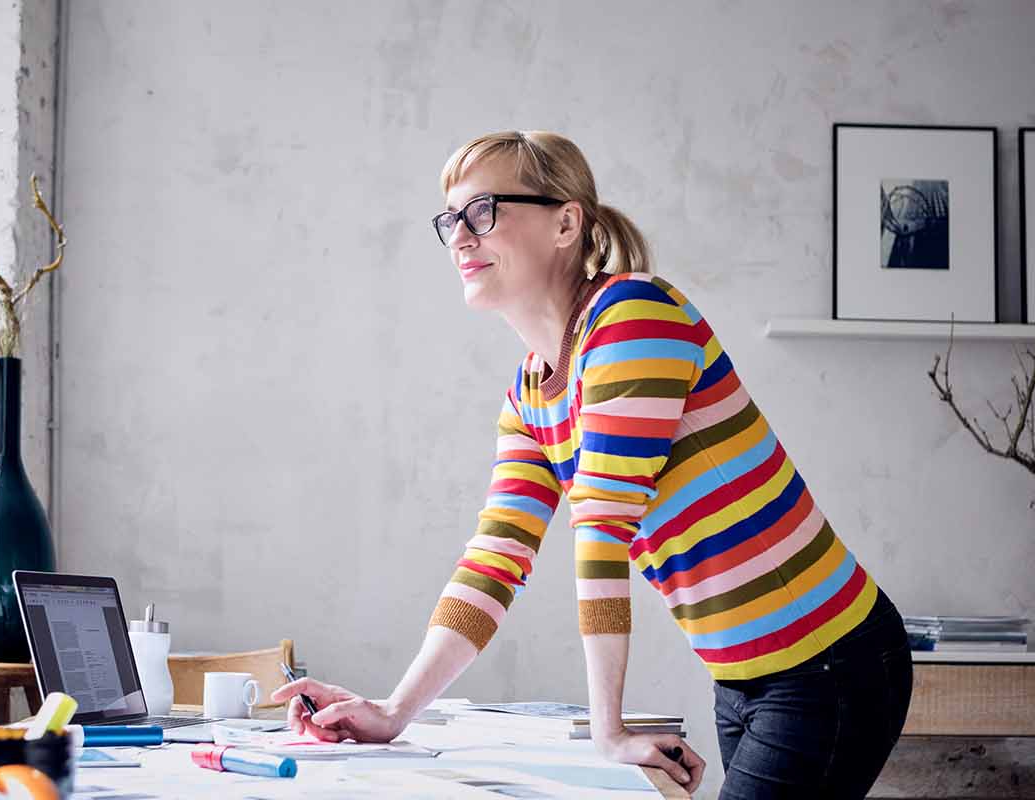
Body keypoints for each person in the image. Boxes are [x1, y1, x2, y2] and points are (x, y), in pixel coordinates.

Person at [272, 131, 913, 799]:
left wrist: (610, 729)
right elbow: (494, 559)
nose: (460, 237)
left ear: (566, 222)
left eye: (484, 211)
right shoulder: (530, 393)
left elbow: (603, 526)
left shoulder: (633, 318)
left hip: (831, 662)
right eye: (451, 220)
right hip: (744, 675)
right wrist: (394, 712)